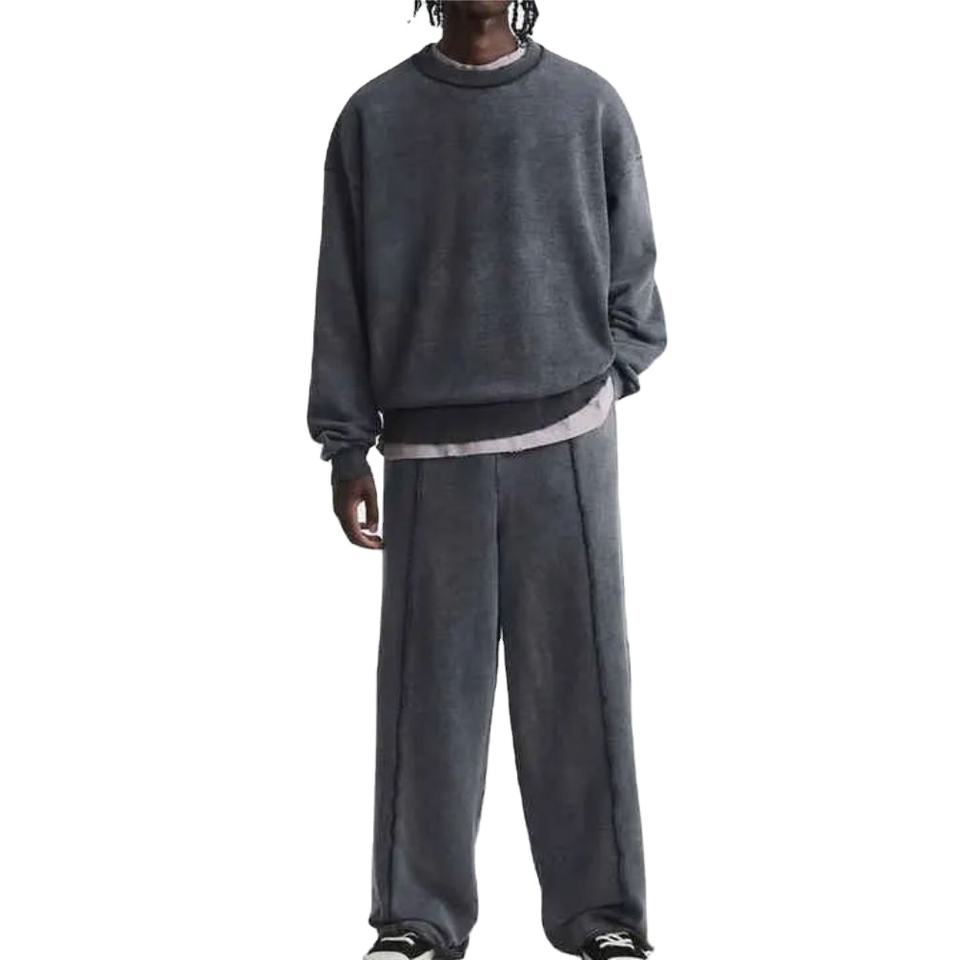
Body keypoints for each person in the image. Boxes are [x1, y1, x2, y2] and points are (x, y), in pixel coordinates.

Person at [307, 3, 667, 959]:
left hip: (566, 440)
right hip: (429, 454)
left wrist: (605, 383)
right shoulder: (374, 117)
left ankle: (604, 920)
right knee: (428, 700)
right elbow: (341, 293)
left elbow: (636, 283)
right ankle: (415, 921)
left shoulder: (588, 105)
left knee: (582, 688)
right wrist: (345, 445)